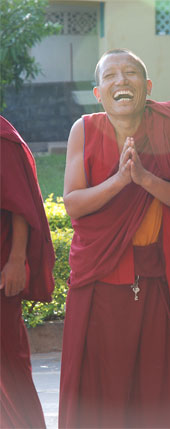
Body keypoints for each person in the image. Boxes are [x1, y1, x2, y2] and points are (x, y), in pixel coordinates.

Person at [59, 48, 170, 429]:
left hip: (151, 277)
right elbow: (73, 203)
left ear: (148, 86)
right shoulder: (85, 129)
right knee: (94, 393)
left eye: (130, 73)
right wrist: (121, 180)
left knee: (152, 393)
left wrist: (144, 179)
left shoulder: (167, 127)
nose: (121, 80)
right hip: (98, 280)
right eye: (110, 75)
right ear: (98, 92)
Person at [0, 116, 55, 428]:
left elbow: (19, 204)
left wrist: (17, 259)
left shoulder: (1, 137)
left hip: (2, 269)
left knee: (10, 366)